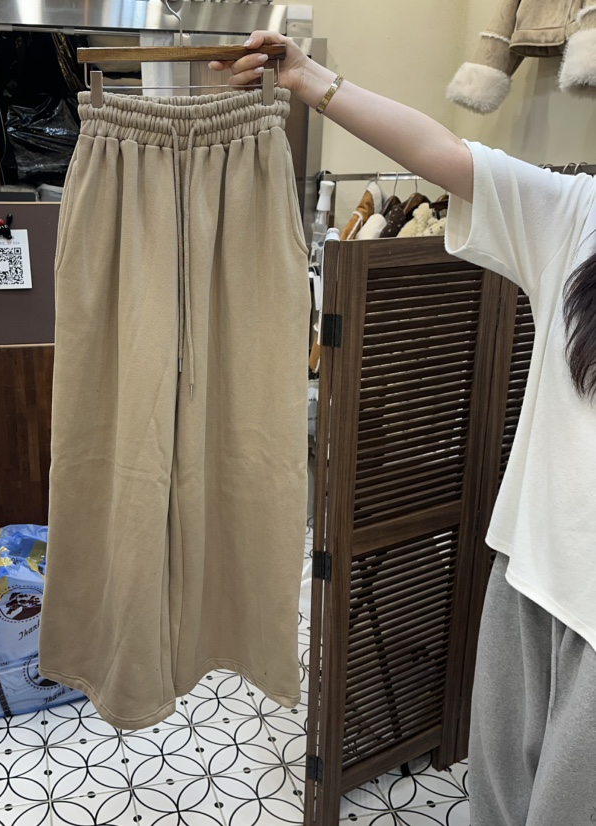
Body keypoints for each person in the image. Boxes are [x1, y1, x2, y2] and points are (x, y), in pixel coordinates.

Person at [212, 31, 596, 826]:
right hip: (530, 573)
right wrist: (309, 78)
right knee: (498, 799)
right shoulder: (580, 219)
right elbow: (445, 154)